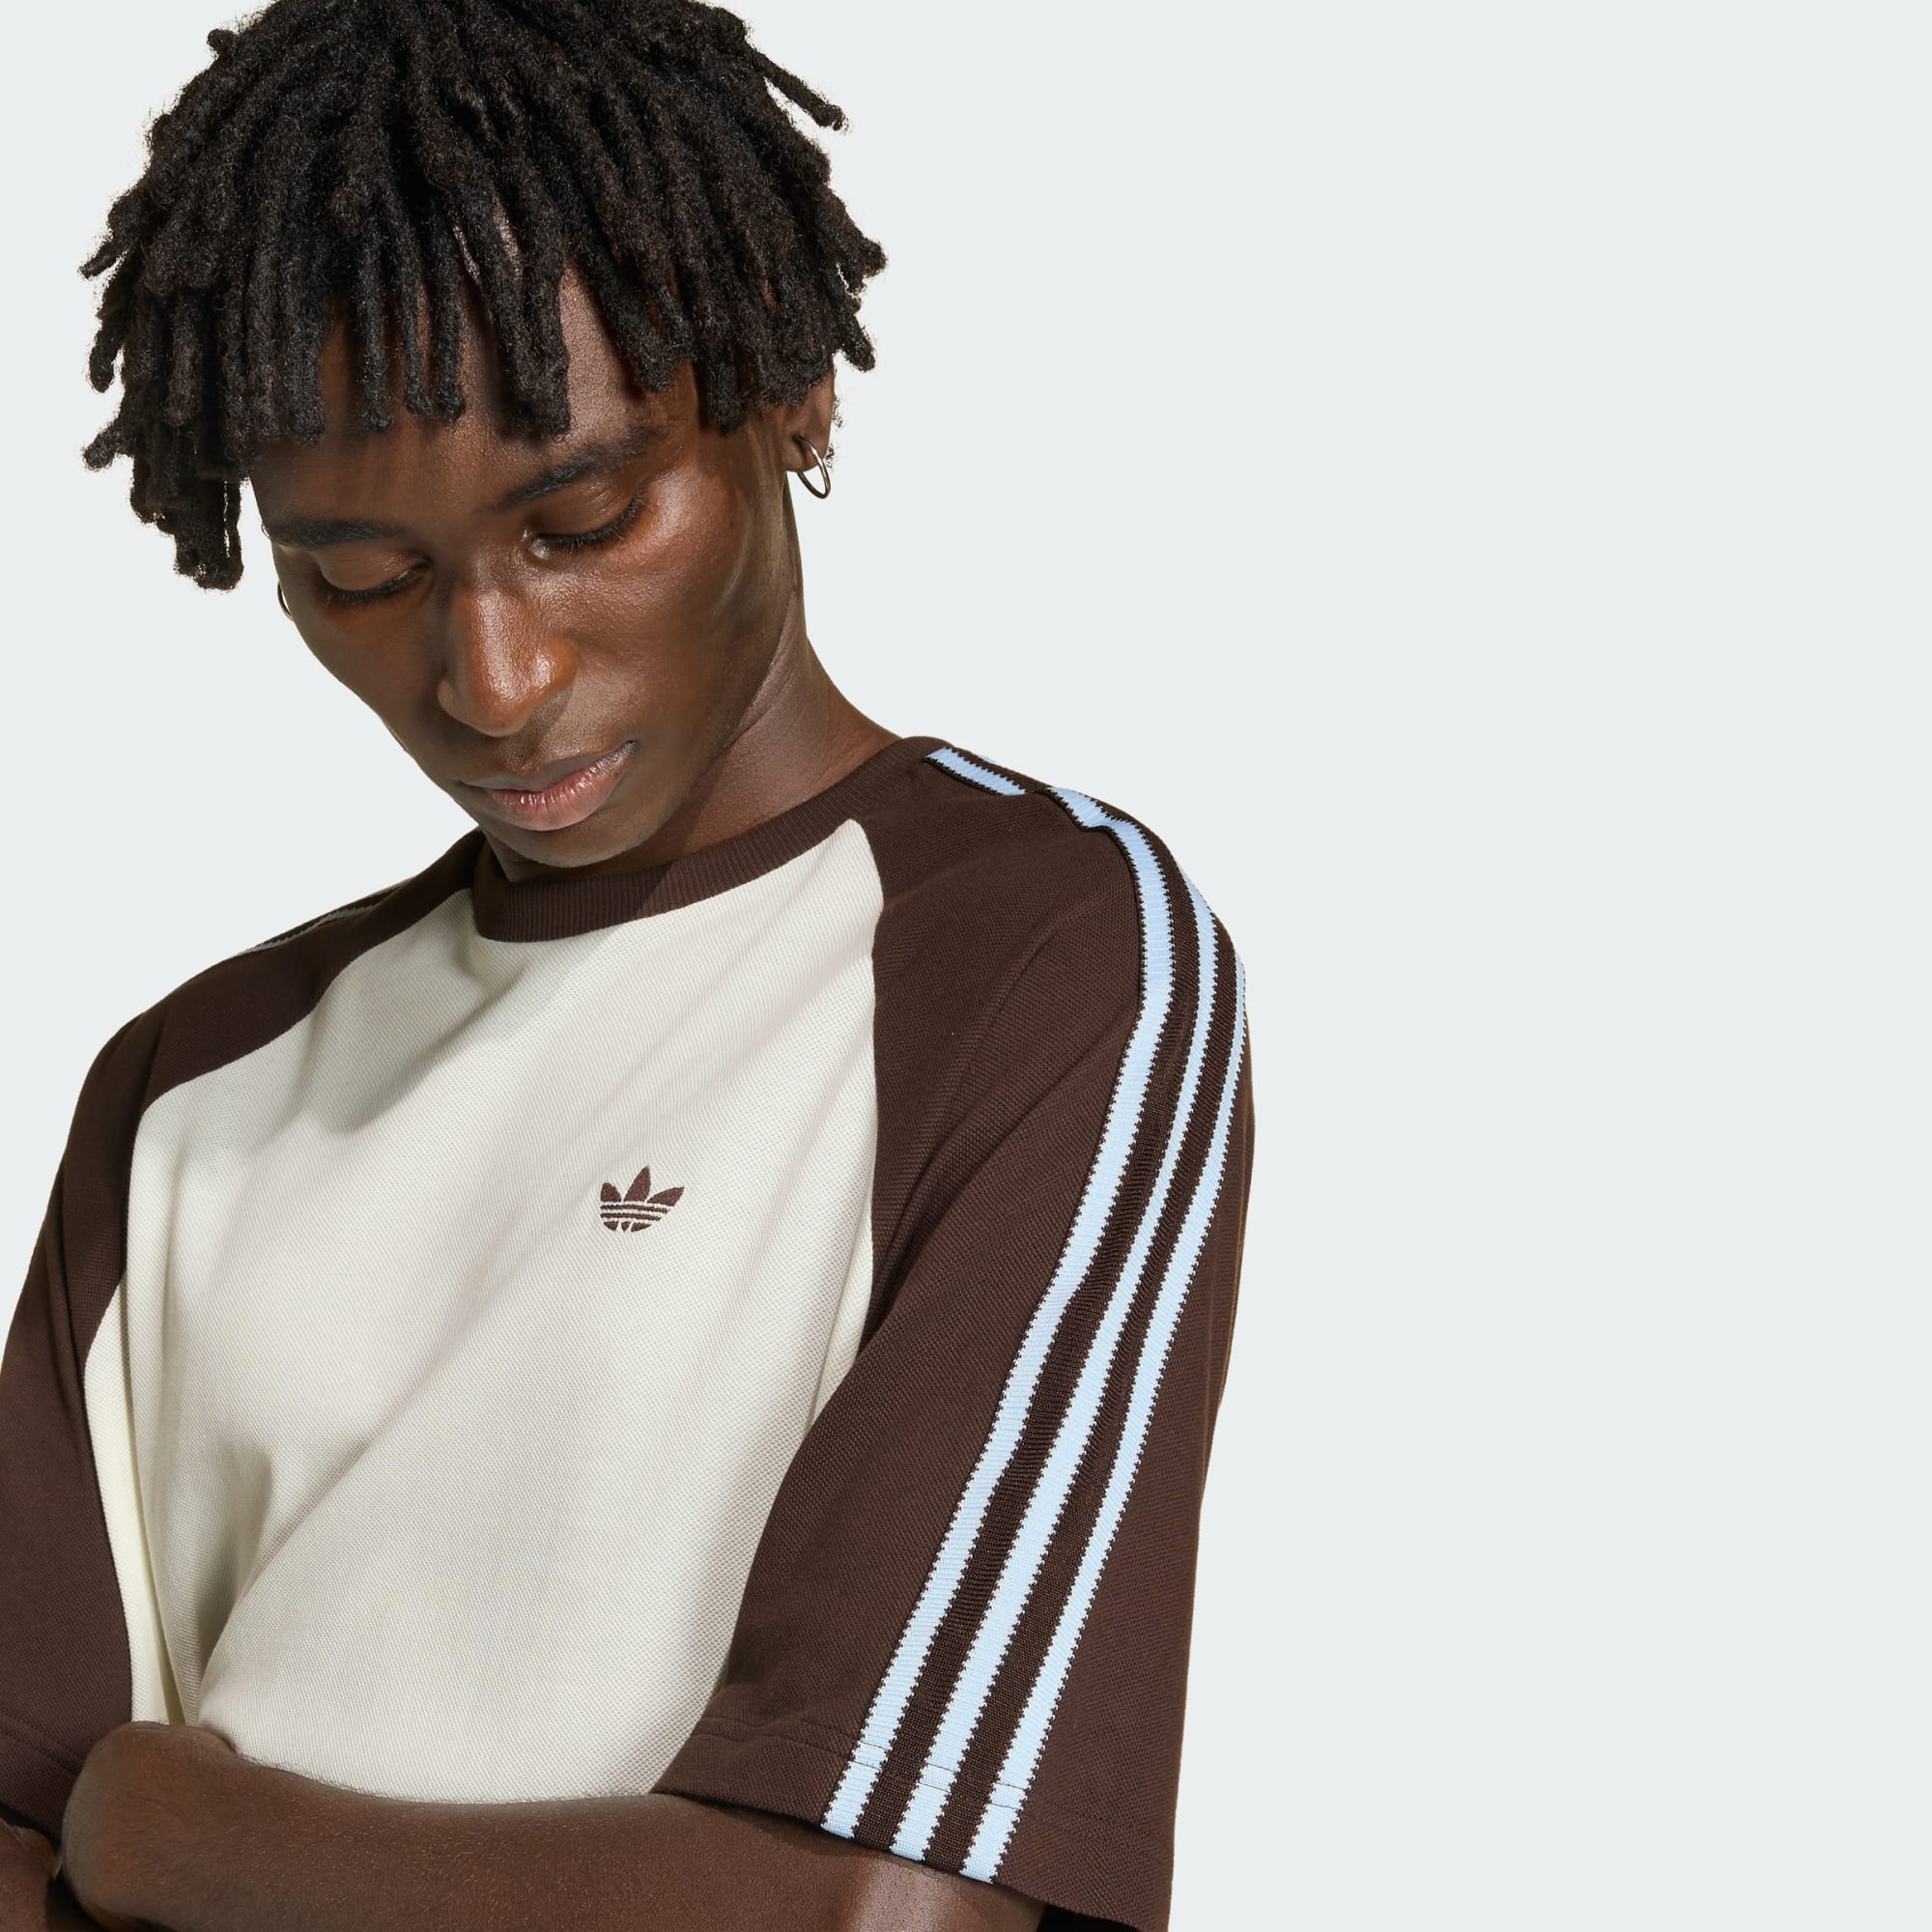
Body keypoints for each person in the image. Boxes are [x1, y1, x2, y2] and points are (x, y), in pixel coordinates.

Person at [0, 3, 1256, 1927]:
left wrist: (178, 1839)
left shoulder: (1031, 953)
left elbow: (887, 1907)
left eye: (581, 521)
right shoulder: (191, 1088)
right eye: (361, 579)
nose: (494, 680)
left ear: (790, 395)